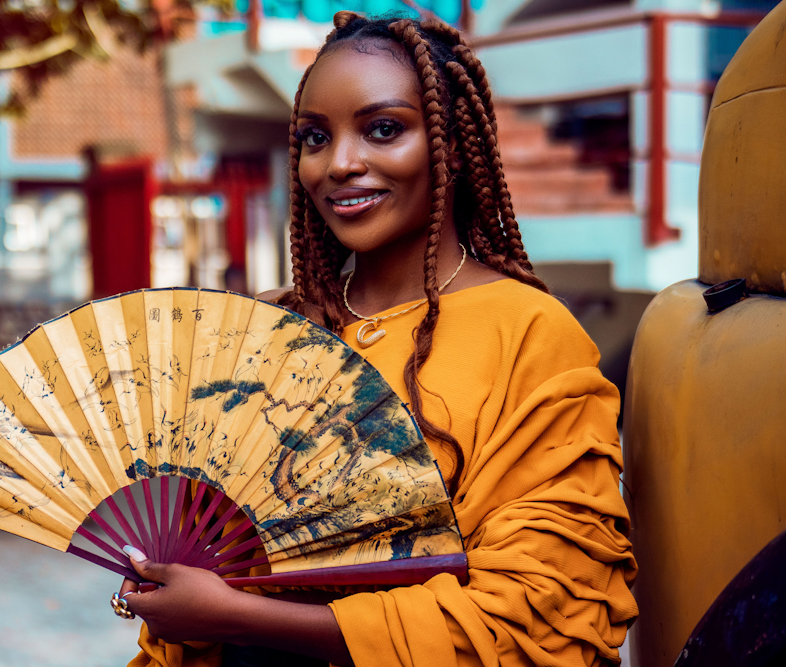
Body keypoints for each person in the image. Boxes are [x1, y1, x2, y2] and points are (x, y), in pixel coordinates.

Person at [118, 11, 638, 666]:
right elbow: (203, 557)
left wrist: (242, 616)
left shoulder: (528, 332)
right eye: (314, 137)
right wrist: (168, 592)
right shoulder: (269, 327)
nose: (339, 164)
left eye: (383, 129)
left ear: (448, 142)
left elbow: (540, 611)